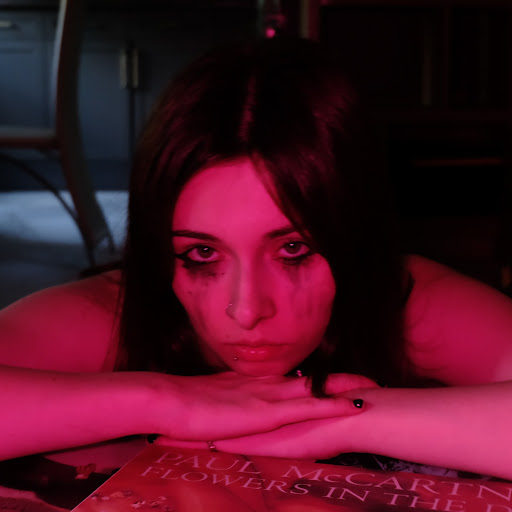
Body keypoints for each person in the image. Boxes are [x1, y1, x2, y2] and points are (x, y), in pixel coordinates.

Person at [1, 35, 512, 492]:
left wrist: (344, 416)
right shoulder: (116, 308)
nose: (246, 311)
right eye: (202, 254)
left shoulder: (404, 298)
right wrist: (166, 400)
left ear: (354, 234)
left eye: (294, 250)